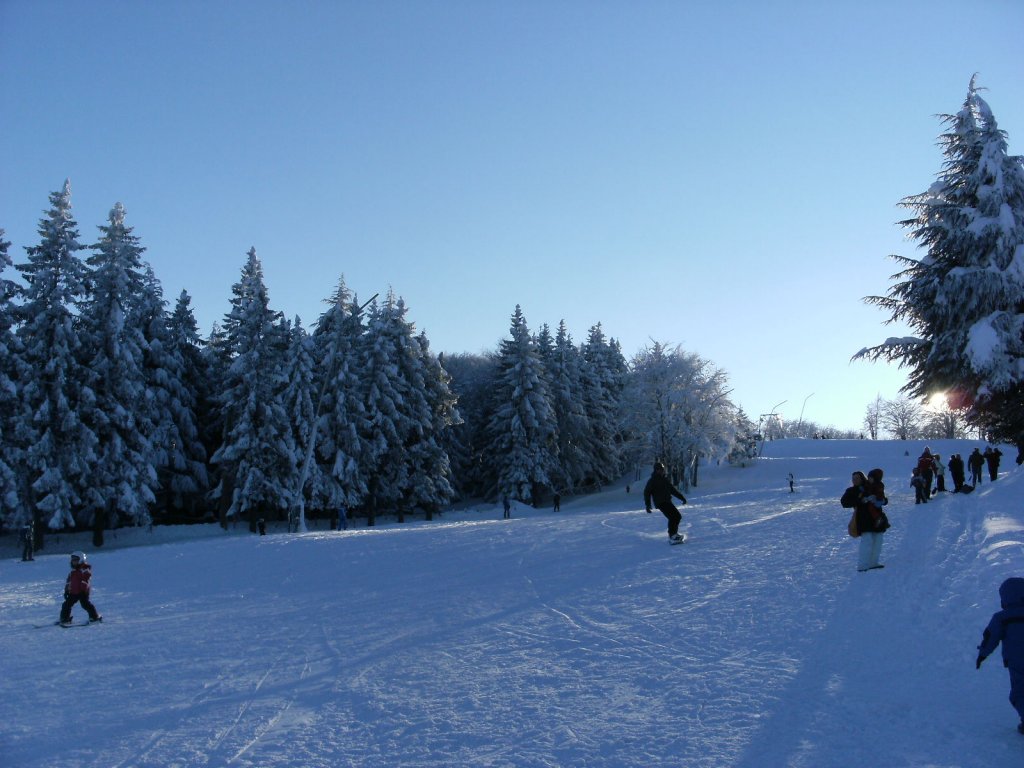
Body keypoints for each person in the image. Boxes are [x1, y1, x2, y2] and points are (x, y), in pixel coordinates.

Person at [976, 577, 1024, 735]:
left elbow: (990, 637)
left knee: (1020, 691)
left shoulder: (1003, 618)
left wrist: (982, 654)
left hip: (1017, 661)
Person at [841, 469, 889, 571]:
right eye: (853, 479)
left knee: (878, 540)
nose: (854, 480)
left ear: (862, 478)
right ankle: (863, 565)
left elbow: (882, 497)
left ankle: (873, 562)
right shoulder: (851, 491)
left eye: (857, 478)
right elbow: (844, 502)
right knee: (866, 541)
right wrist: (860, 501)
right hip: (863, 519)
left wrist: (883, 501)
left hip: (877, 518)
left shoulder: (871, 486)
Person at [643, 461, 688, 543]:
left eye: (662, 469)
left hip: (667, 501)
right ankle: (672, 536)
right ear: (656, 470)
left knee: (677, 516)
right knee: (673, 517)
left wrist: (682, 498)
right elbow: (647, 492)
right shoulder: (652, 480)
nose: (662, 471)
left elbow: (672, 490)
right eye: (660, 469)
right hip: (660, 502)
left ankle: (674, 534)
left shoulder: (664, 479)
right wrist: (648, 505)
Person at [59, 551, 102, 626]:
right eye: (72, 560)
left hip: (83, 592)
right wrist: (66, 591)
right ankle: (65, 618)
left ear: (81, 560)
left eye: (76, 560)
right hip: (73, 592)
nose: (74, 562)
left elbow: (85, 580)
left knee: (85, 604)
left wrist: (83, 591)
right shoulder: (73, 571)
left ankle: (94, 617)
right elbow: (69, 582)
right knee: (66, 604)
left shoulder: (85, 569)